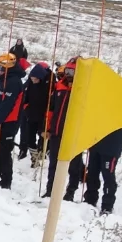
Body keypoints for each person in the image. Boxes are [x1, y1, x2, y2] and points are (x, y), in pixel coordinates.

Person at [43, 58, 86, 199]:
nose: (68, 74)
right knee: (53, 164)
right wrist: (48, 128)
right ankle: (50, 191)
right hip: (56, 132)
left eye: (72, 71)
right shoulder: (59, 87)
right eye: (67, 70)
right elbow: (51, 110)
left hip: (74, 135)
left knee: (74, 166)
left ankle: (70, 193)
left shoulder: (83, 90)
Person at [0, 52, 26, 189]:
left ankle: (6, 182)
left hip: (8, 124)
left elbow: (7, 105)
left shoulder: (14, 82)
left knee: (4, 153)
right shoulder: (3, 80)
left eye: (1, 68)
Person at [86, 127, 122, 214]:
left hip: (111, 148)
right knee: (92, 173)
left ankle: (107, 206)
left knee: (108, 176)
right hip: (96, 142)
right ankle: (90, 199)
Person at [17, 61, 52, 164]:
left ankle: (43, 154)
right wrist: (26, 106)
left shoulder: (48, 84)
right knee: (29, 138)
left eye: (35, 79)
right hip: (30, 115)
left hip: (43, 116)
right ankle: (34, 158)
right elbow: (24, 95)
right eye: (32, 79)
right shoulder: (29, 83)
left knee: (43, 137)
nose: (33, 81)